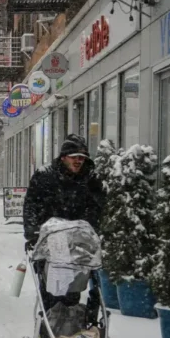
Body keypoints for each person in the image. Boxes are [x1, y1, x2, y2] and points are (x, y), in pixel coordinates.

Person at [23, 134, 106, 317]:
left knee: (73, 286)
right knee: (51, 284)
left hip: (78, 240)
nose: (78, 161)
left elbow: (96, 207)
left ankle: (69, 320)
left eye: (82, 157)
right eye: (74, 157)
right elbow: (31, 204)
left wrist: (92, 229)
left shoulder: (90, 179)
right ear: (63, 157)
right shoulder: (45, 176)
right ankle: (52, 318)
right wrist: (32, 232)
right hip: (51, 238)